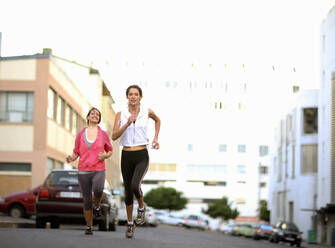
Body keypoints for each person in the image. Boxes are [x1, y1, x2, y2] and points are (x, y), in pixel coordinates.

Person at [112, 85, 161, 238]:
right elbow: (114, 136)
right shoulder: (120, 114)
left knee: (135, 185)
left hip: (141, 154)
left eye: (136, 94)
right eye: (130, 94)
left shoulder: (147, 112)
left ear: (140, 97)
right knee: (127, 192)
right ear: (127, 97)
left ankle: (141, 207)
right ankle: (130, 224)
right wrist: (127, 123)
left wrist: (155, 138)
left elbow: (158, 121)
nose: (133, 97)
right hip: (126, 155)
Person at [66, 107, 113, 235]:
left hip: (98, 169)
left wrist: (105, 156)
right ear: (88, 117)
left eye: (97, 114)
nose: (95, 115)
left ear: (99, 119)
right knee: (87, 200)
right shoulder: (81, 133)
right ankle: (89, 227)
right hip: (83, 170)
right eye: (92, 113)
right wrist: (71, 158)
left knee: (98, 190)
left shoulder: (103, 134)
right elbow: (76, 151)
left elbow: (110, 150)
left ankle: (97, 206)